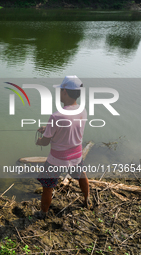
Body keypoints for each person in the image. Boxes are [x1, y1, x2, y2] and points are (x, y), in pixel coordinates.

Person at [35, 75, 90, 218]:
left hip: (57, 160)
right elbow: (69, 128)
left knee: (48, 187)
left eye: (60, 90)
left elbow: (46, 142)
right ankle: (86, 200)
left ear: (65, 91)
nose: (59, 92)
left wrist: (40, 141)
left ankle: (43, 214)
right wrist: (48, 129)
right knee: (82, 176)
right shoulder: (82, 111)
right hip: (76, 157)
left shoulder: (56, 116)